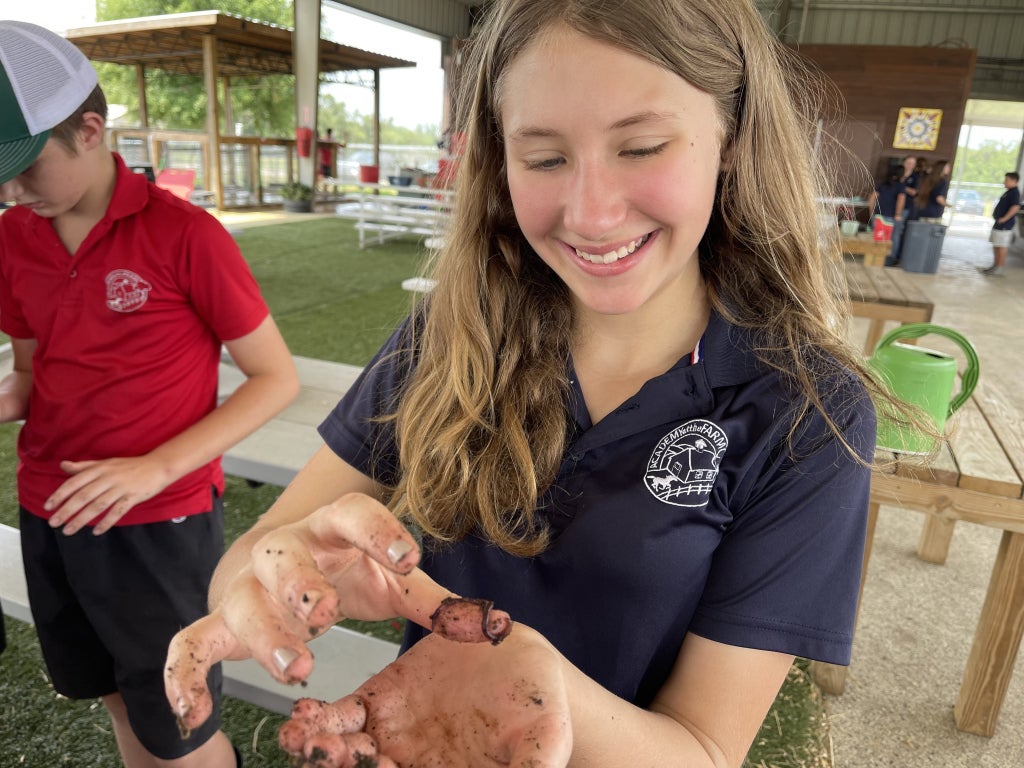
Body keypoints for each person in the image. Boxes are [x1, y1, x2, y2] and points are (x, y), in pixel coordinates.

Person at [165, 1, 899, 764]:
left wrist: (531, 679)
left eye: (642, 147)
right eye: (545, 159)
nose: (592, 213)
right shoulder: (449, 338)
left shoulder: (807, 411)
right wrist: (274, 579)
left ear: (733, 138)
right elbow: (247, 560)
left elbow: (706, 749)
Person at [0, 21, 299, 768]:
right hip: (51, 508)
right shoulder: (13, 238)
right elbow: (31, 379)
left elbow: (275, 377)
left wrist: (155, 467)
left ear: (90, 130)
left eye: (24, 167)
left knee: (178, 721)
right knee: (112, 693)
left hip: (158, 523)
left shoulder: (185, 235)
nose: (8, 191)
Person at [979, 171, 1021, 277]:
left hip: (1005, 225)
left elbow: (1015, 207)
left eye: (1007, 180)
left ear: (1014, 181)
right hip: (999, 223)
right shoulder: (1008, 192)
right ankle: (995, 266)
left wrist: (1004, 219)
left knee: (1002, 246)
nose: (1004, 182)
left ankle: (1000, 268)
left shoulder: (1014, 193)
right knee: (996, 245)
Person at [885, 155, 918, 266]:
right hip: (889, 208)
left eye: (913, 163)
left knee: (896, 233)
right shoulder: (896, 172)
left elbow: (914, 192)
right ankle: (882, 255)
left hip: (904, 208)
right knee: (885, 231)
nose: (910, 165)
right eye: (908, 163)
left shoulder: (915, 177)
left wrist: (901, 185)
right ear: (904, 163)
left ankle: (892, 257)